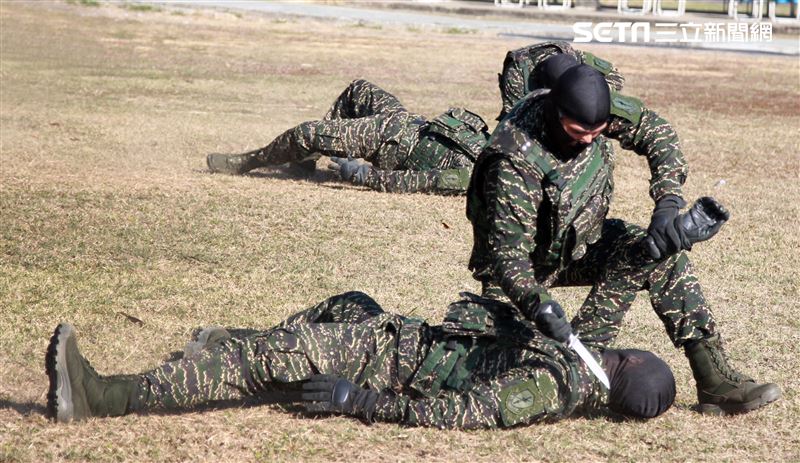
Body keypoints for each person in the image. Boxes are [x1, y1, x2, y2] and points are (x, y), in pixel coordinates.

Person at [466, 63, 781, 416]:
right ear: (557, 113)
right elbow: (508, 258)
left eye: (597, 131)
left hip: (576, 245)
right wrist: (538, 303)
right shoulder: (513, 160)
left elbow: (657, 132)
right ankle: (580, 363)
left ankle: (716, 382)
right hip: (518, 274)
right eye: (578, 132)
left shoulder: (593, 111)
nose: (588, 139)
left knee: (663, 256)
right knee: (519, 370)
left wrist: (667, 203)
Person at [46, 291, 676, 428]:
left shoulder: (551, 386)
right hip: (398, 337)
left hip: (385, 365)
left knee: (264, 361)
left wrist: (363, 401)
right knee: (350, 303)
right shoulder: (579, 362)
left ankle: (101, 397)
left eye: (628, 355)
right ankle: (225, 345)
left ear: (626, 372)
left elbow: (467, 412)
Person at [206, 79, 490, 195]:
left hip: (387, 140)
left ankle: (247, 162)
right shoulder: (498, 144)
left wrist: (359, 173)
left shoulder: (476, 176)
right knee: (358, 89)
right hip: (406, 121)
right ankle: (306, 159)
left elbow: (414, 182)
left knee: (306, 133)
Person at [497, 41, 626, 121]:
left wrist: (591, 94)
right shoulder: (517, 73)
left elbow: (615, 77)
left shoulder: (577, 58)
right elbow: (512, 119)